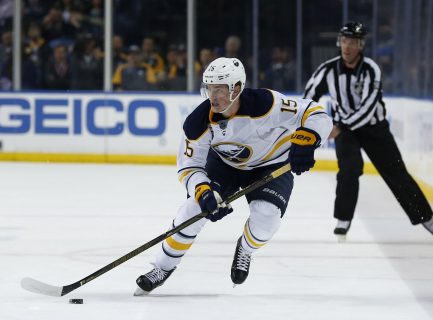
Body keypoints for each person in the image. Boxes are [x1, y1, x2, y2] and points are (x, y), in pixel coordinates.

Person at [134, 57, 332, 295]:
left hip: (271, 164)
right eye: (209, 88)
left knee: (267, 219)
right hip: (224, 165)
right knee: (194, 209)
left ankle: (245, 249)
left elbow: (316, 113)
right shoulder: (198, 122)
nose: (212, 95)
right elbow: (189, 166)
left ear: (236, 89)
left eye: (219, 89)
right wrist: (203, 190)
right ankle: (162, 268)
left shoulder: (266, 104)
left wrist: (309, 137)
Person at [303, 22, 433, 240]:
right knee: (349, 169)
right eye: (344, 41)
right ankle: (343, 219)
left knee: (396, 173)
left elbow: (368, 107)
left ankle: (427, 218)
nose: (347, 46)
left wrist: (338, 126)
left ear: (360, 45)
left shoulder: (371, 69)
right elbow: (308, 100)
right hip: (345, 131)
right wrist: (322, 125)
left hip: (374, 128)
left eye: (352, 42)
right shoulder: (327, 70)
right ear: (339, 42)